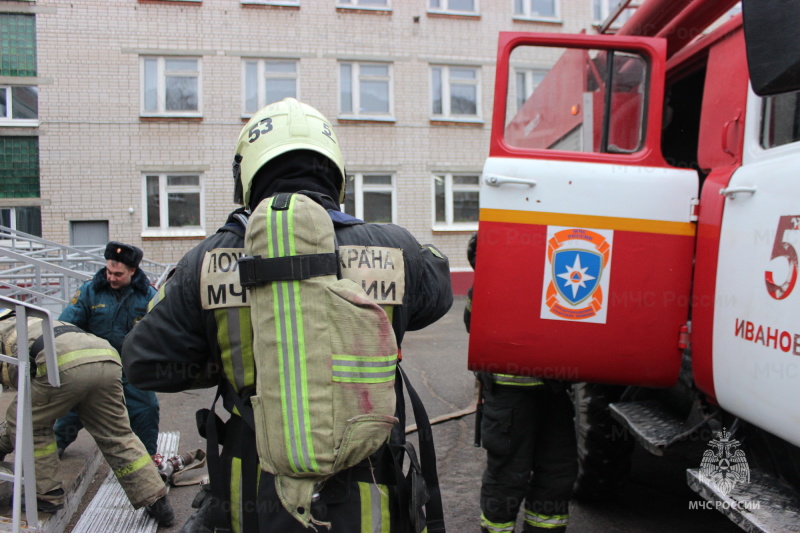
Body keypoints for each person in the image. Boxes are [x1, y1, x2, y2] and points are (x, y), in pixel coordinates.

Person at [121, 97, 453, 533]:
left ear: (247, 175)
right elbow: (438, 297)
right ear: (336, 174)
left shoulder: (205, 262)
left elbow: (144, 362)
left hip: (254, 497)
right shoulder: (396, 249)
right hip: (370, 492)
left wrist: (228, 361)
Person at [0, 310, 174, 525]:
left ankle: (46, 493)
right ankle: (156, 498)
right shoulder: (28, 322)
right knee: (116, 433)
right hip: (105, 357)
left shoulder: (4, 334)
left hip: (63, 365)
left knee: (26, 421)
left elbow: (23, 399)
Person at [464, 233, 578, 533]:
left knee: (555, 472)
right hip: (513, 399)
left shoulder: (555, 282)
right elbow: (475, 326)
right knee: (509, 474)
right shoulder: (495, 285)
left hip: (549, 396)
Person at [55, 241, 160, 456]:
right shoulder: (89, 291)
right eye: (109, 271)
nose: (111, 277)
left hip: (131, 368)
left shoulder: (148, 296)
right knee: (71, 412)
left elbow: (161, 331)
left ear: (132, 271)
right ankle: (51, 451)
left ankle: (148, 459)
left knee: (146, 409)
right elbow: (66, 326)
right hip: (95, 367)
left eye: (118, 274)